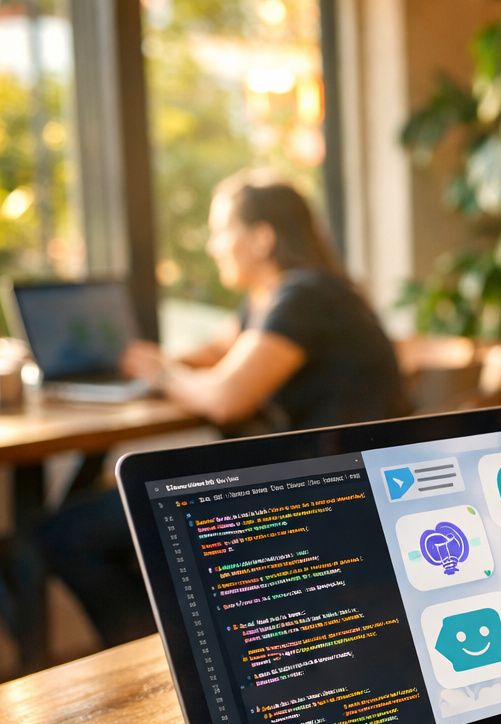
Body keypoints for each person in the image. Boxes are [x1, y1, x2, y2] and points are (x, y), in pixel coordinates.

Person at [41, 172, 402, 647]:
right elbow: (217, 354)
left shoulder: (304, 297)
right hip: (317, 482)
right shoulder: (275, 299)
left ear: (260, 238)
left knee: (68, 534)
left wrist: (160, 374)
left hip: (322, 497)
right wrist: (151, 363)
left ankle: (169, 660)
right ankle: (179, 652)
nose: (212, 246)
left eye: (220, 231)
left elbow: (227, 398)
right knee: (93, 523)